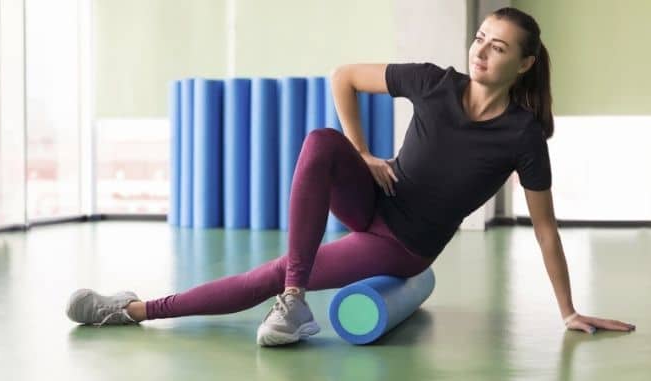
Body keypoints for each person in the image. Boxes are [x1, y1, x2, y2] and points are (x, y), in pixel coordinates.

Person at [66, 7, 636, 346]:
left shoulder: (522, 136)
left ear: (525, 64)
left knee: (270, 271)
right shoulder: (434, 81)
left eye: (499, 47)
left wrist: (566, 309)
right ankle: (297, 299)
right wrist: (362, 154)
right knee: (321, 142)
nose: (482, 51)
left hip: (402, 245)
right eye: (481, 38)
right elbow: (342, 76)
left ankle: (133, 310)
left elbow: (544, 229)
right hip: (374, 199)